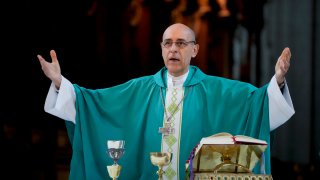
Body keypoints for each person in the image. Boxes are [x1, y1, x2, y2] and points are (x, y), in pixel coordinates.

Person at [37, 23, 295, 180]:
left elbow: (259, 104)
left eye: (181, 43)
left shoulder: (220, 91)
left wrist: (279, 81)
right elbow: (91, 104)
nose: (173, 49)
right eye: (168, 43)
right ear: (161, 49)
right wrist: (61, 82)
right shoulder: (138, 90)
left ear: (194, 50)